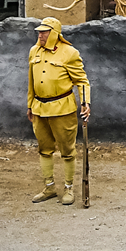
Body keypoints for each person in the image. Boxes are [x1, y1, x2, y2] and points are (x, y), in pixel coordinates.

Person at [27, 17, 91, 206]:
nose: (40, 35)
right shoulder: (34, 51)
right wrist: (30, 105)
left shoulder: (69, 53)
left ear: (54, 33)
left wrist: (85, 102)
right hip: (39, 108)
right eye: (39, 32)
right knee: (44, 149)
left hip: (63, 108)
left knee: (67, 150)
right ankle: (49, 187)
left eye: (44, 32)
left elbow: (82, 81)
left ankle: (69, 188)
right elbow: (31, 81)